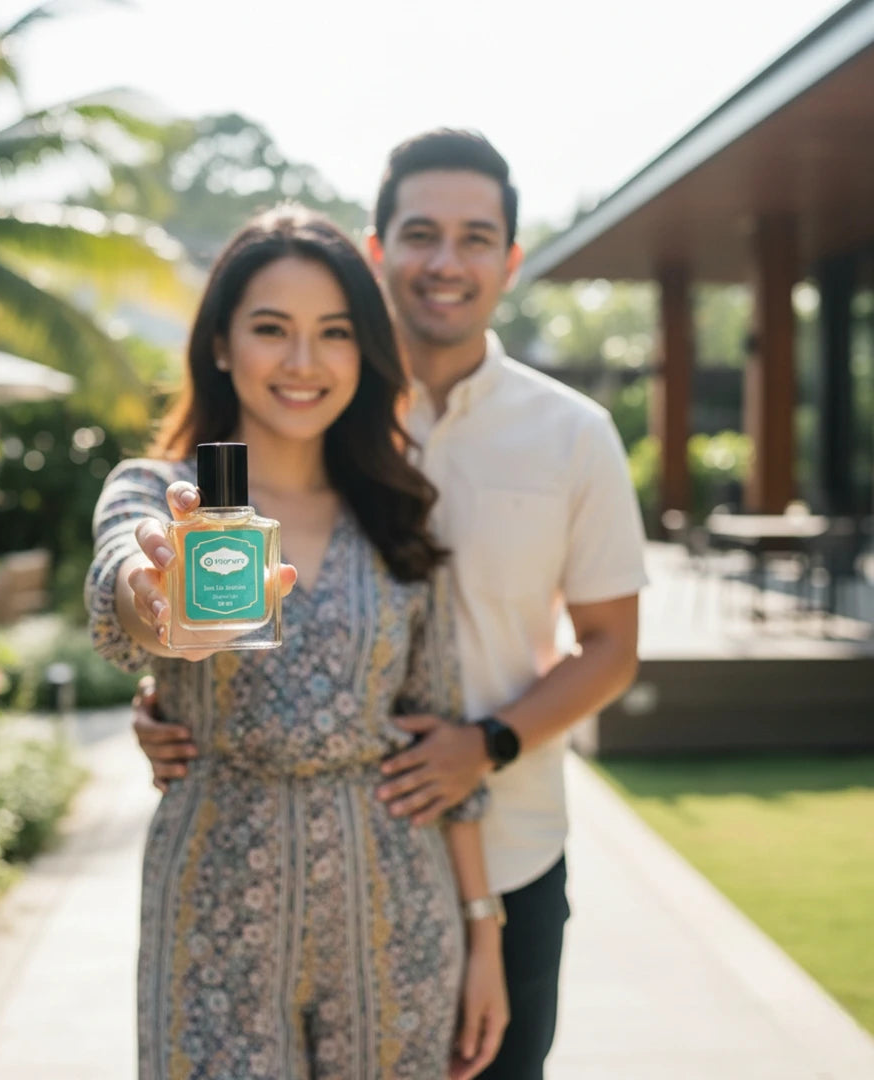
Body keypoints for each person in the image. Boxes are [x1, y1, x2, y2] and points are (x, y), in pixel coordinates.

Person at [133, 130, 648, 1080]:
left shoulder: (574, 434)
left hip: (510, 854)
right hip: (277, 879)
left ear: (510, 258)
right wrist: (167, 670)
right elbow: (171, 595)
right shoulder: (309, 406)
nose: (446, 262)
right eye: (419, 233)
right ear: (376, 252)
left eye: (475, 237)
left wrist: (484, 742)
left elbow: (613, 648)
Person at [85, 206, 508, 1080]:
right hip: (212, 905)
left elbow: (439, 731)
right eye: (272, 329)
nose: (304, 362)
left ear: (364, 352)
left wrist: (483, 931)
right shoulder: (164, 492)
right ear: (219, 344)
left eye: (334, 333)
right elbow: (126, 577)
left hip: (394, 902)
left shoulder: (398, 511)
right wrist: (157, 603)